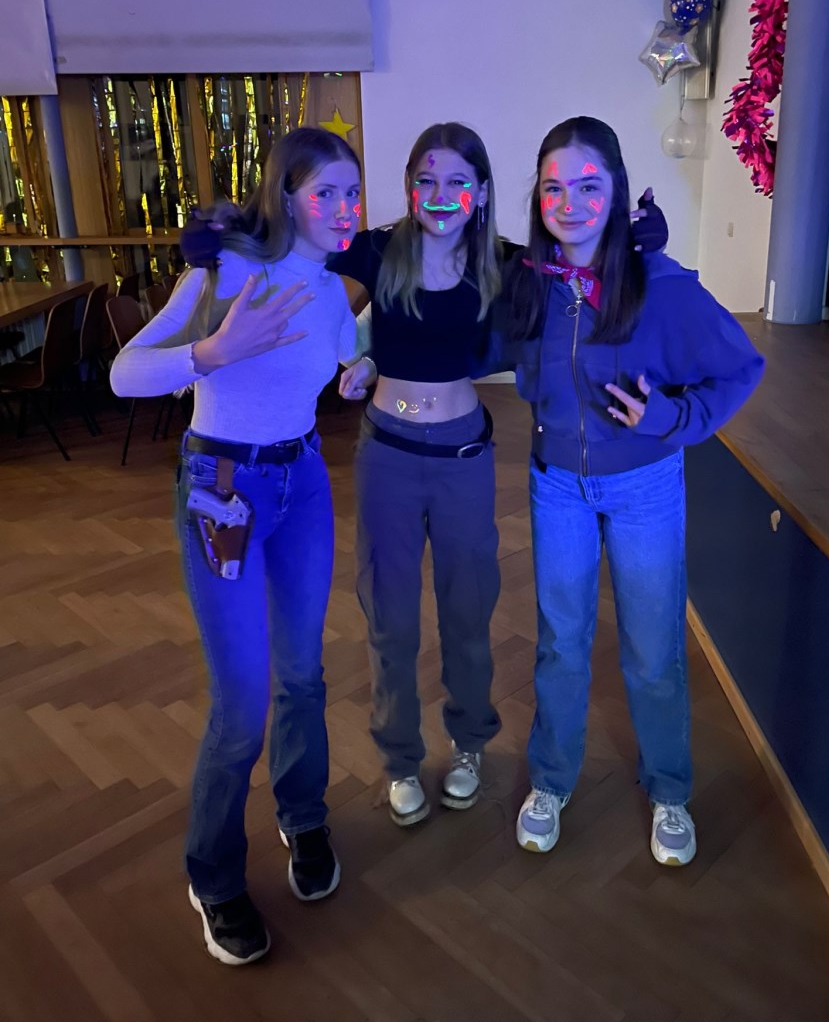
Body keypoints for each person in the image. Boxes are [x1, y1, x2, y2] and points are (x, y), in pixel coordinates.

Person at [334, 122, 668, 829]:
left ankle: (469, 744)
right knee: (389, 618)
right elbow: (302, 252)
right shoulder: (381, 251)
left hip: (462, 457)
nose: (440, 194)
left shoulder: (509, 265)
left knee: (466, 613)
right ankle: (400, 760)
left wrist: (639, 241)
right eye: (426, 180)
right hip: (387, 454)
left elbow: (586, 260)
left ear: (482, 190)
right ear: (409, 187)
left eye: (457, 180)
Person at [110, 127, 367, 966]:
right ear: (285, 196)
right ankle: (214, 876)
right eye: (326, 192)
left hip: (303, 483)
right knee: (242, 703)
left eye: (352, 193)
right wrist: (213, 351)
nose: (344, 208)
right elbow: (123, 374)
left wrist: (361, 369)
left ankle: (304, 818)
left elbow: (346, 353)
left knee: (304, 675)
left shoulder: (329, 290)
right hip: (222, 489)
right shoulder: (222, 273)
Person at [499, 116, 764, 864]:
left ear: (617, 192)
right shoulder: (531, 283)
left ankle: (670, 789)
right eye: (554, 188)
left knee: (652, 647)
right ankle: (551, 779)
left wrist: (670, 418)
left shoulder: (663, 287)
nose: (570, 203)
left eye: (589, 186)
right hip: (557, 486)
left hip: (645, 486)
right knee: (561, 642)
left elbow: (740, 368)